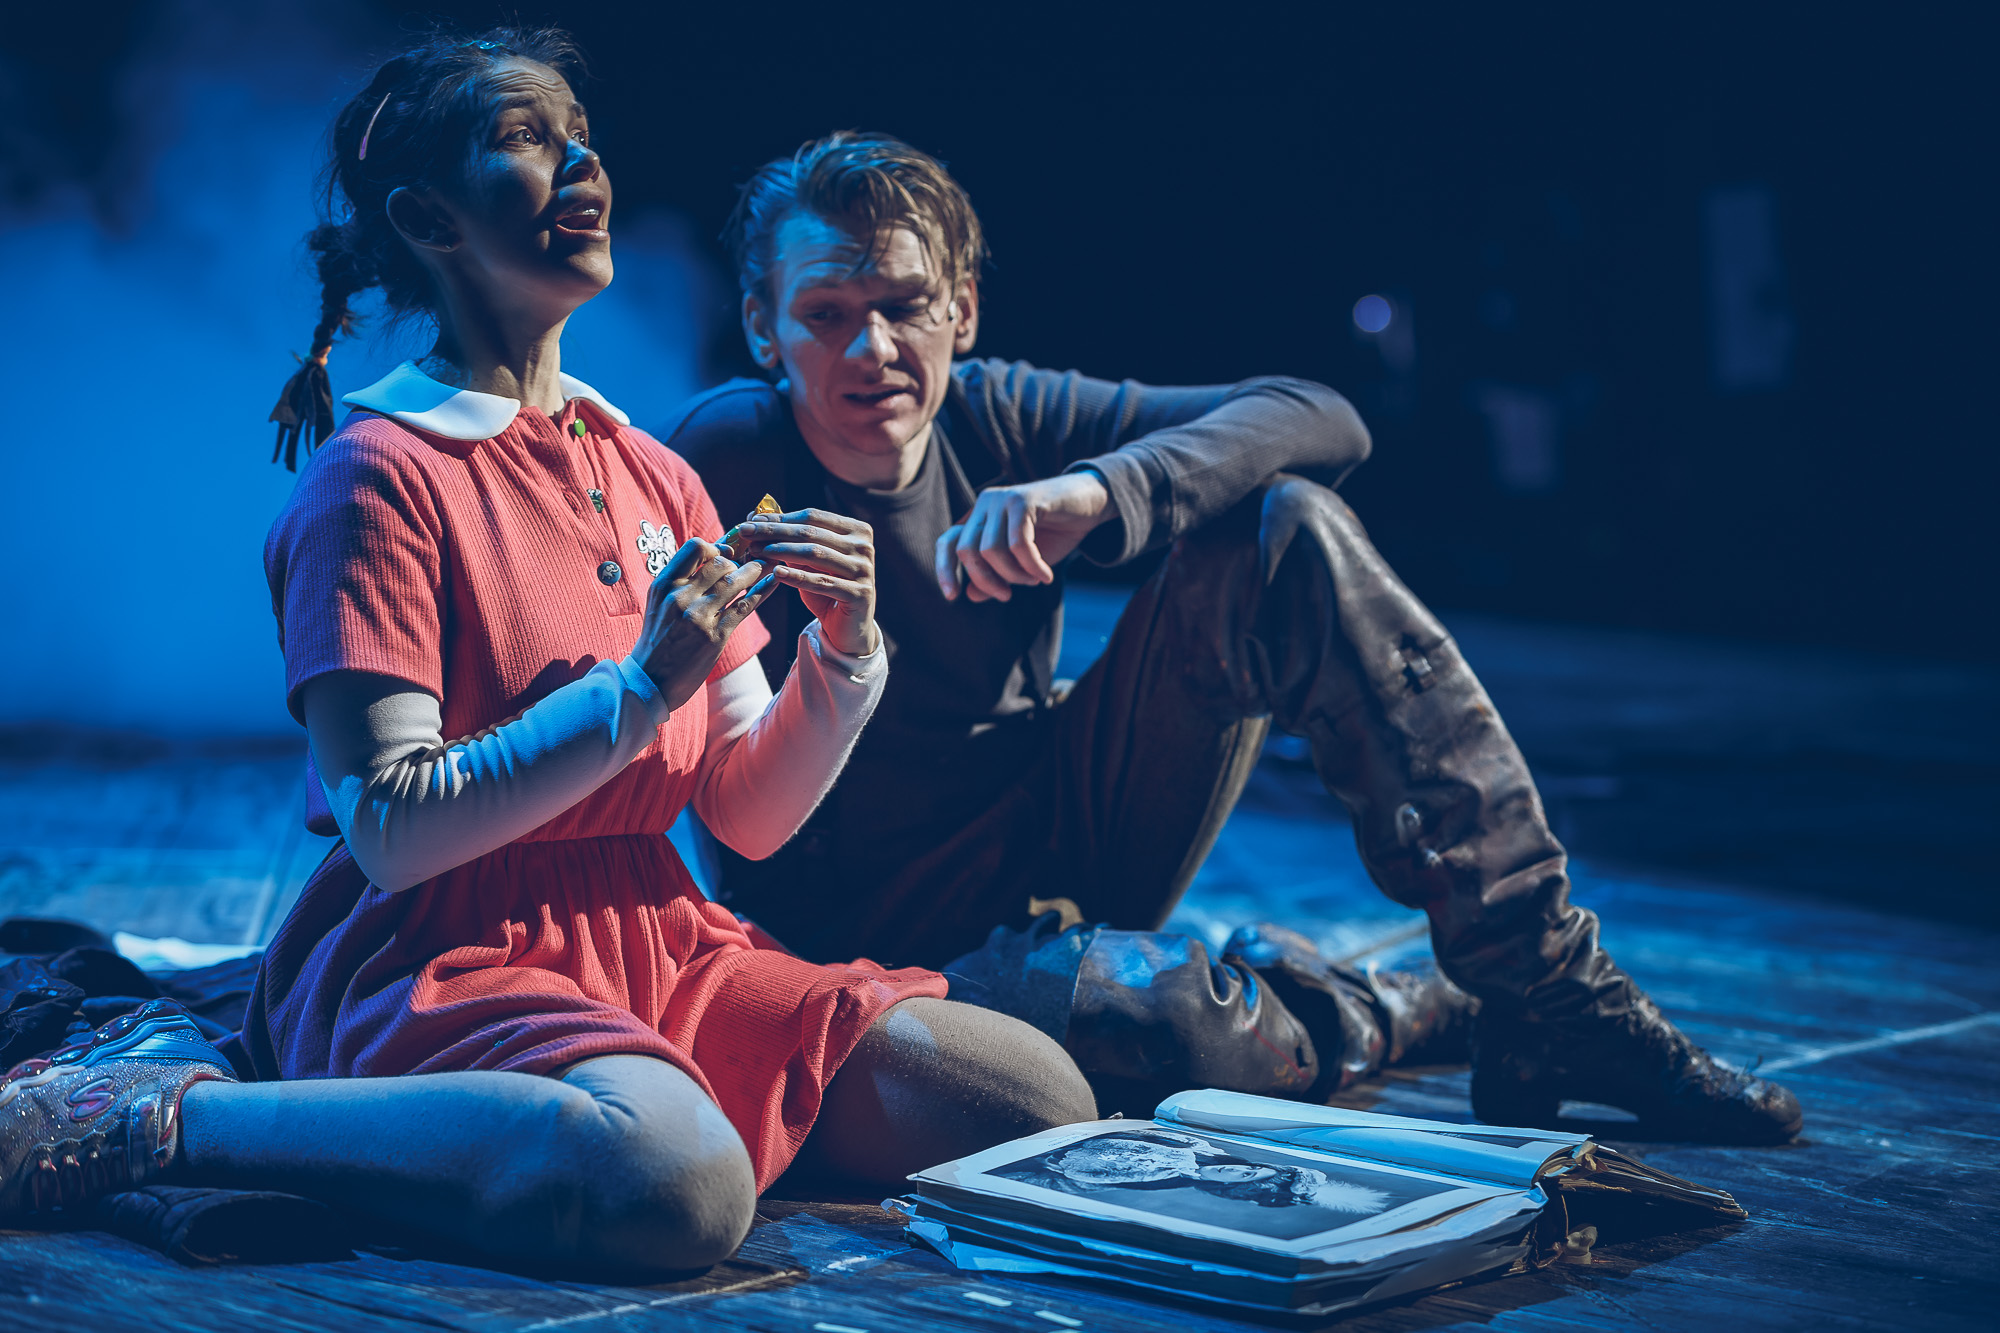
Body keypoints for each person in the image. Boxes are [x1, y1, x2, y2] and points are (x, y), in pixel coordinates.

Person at [0, 33, 1093, 1268]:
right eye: (526, 138)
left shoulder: (657, 474)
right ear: (428, 218)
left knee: (1030, 1102)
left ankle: (606, 1117)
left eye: (581, 135)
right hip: (436, 954)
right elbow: (391, 829)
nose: (583, 164)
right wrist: (641, 689)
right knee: (671, 1184)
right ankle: (163, 1119)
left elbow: (745, 816)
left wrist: (843, 660)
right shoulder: (376, 478)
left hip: (659, 937)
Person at [671, 131, 1802, 1143]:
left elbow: (1320, 416)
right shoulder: (727, 458)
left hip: (1059, 838)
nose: (871, 346)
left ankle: (1552, 991)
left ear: (960, 311)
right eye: (827, 313)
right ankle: (1377, 1004)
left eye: (905, 304)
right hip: (871, 938)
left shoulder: (999, 411)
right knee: (1156, 1030)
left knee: (1281, 528)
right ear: (765, 328)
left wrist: (1100, 490)